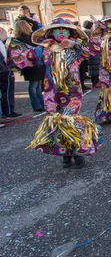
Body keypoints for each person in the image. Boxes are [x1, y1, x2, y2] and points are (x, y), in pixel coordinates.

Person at [7, 18, 103, 168]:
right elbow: (21, 57)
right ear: (50, 32)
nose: (60, 33)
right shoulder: (45, 49)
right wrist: (12, 42)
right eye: (56, 30)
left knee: (71, 120)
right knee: (57, 121)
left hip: (72, 92)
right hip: (51, 92)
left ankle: (78, 153)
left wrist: (75, 43)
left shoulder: (75, 49)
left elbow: (96, 48)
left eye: (63, 29)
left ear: (69, 32)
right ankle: (64, 154)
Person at [9, 20, 46, 112]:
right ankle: (38, 105)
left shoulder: (19, 40)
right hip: (34, 64)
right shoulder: (30, 38)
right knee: (35, 85)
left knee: (36, 84)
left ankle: (40, 104)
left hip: (31, 65)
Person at [1, 27, 22, 119]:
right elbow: (5, 55)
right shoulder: (4, 43)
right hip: (4, 70)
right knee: (7, 91)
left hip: (4, 69)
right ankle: (8, 111)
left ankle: (7, 111)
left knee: (5, 92)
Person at [82, 20, 101, 87]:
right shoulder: (91, 33)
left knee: (91, 67)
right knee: (96, 68)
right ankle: (96, 83)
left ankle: (94, 82)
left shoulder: (83, 33)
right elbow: (97, 41)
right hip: (95, 52)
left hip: (88, 52)